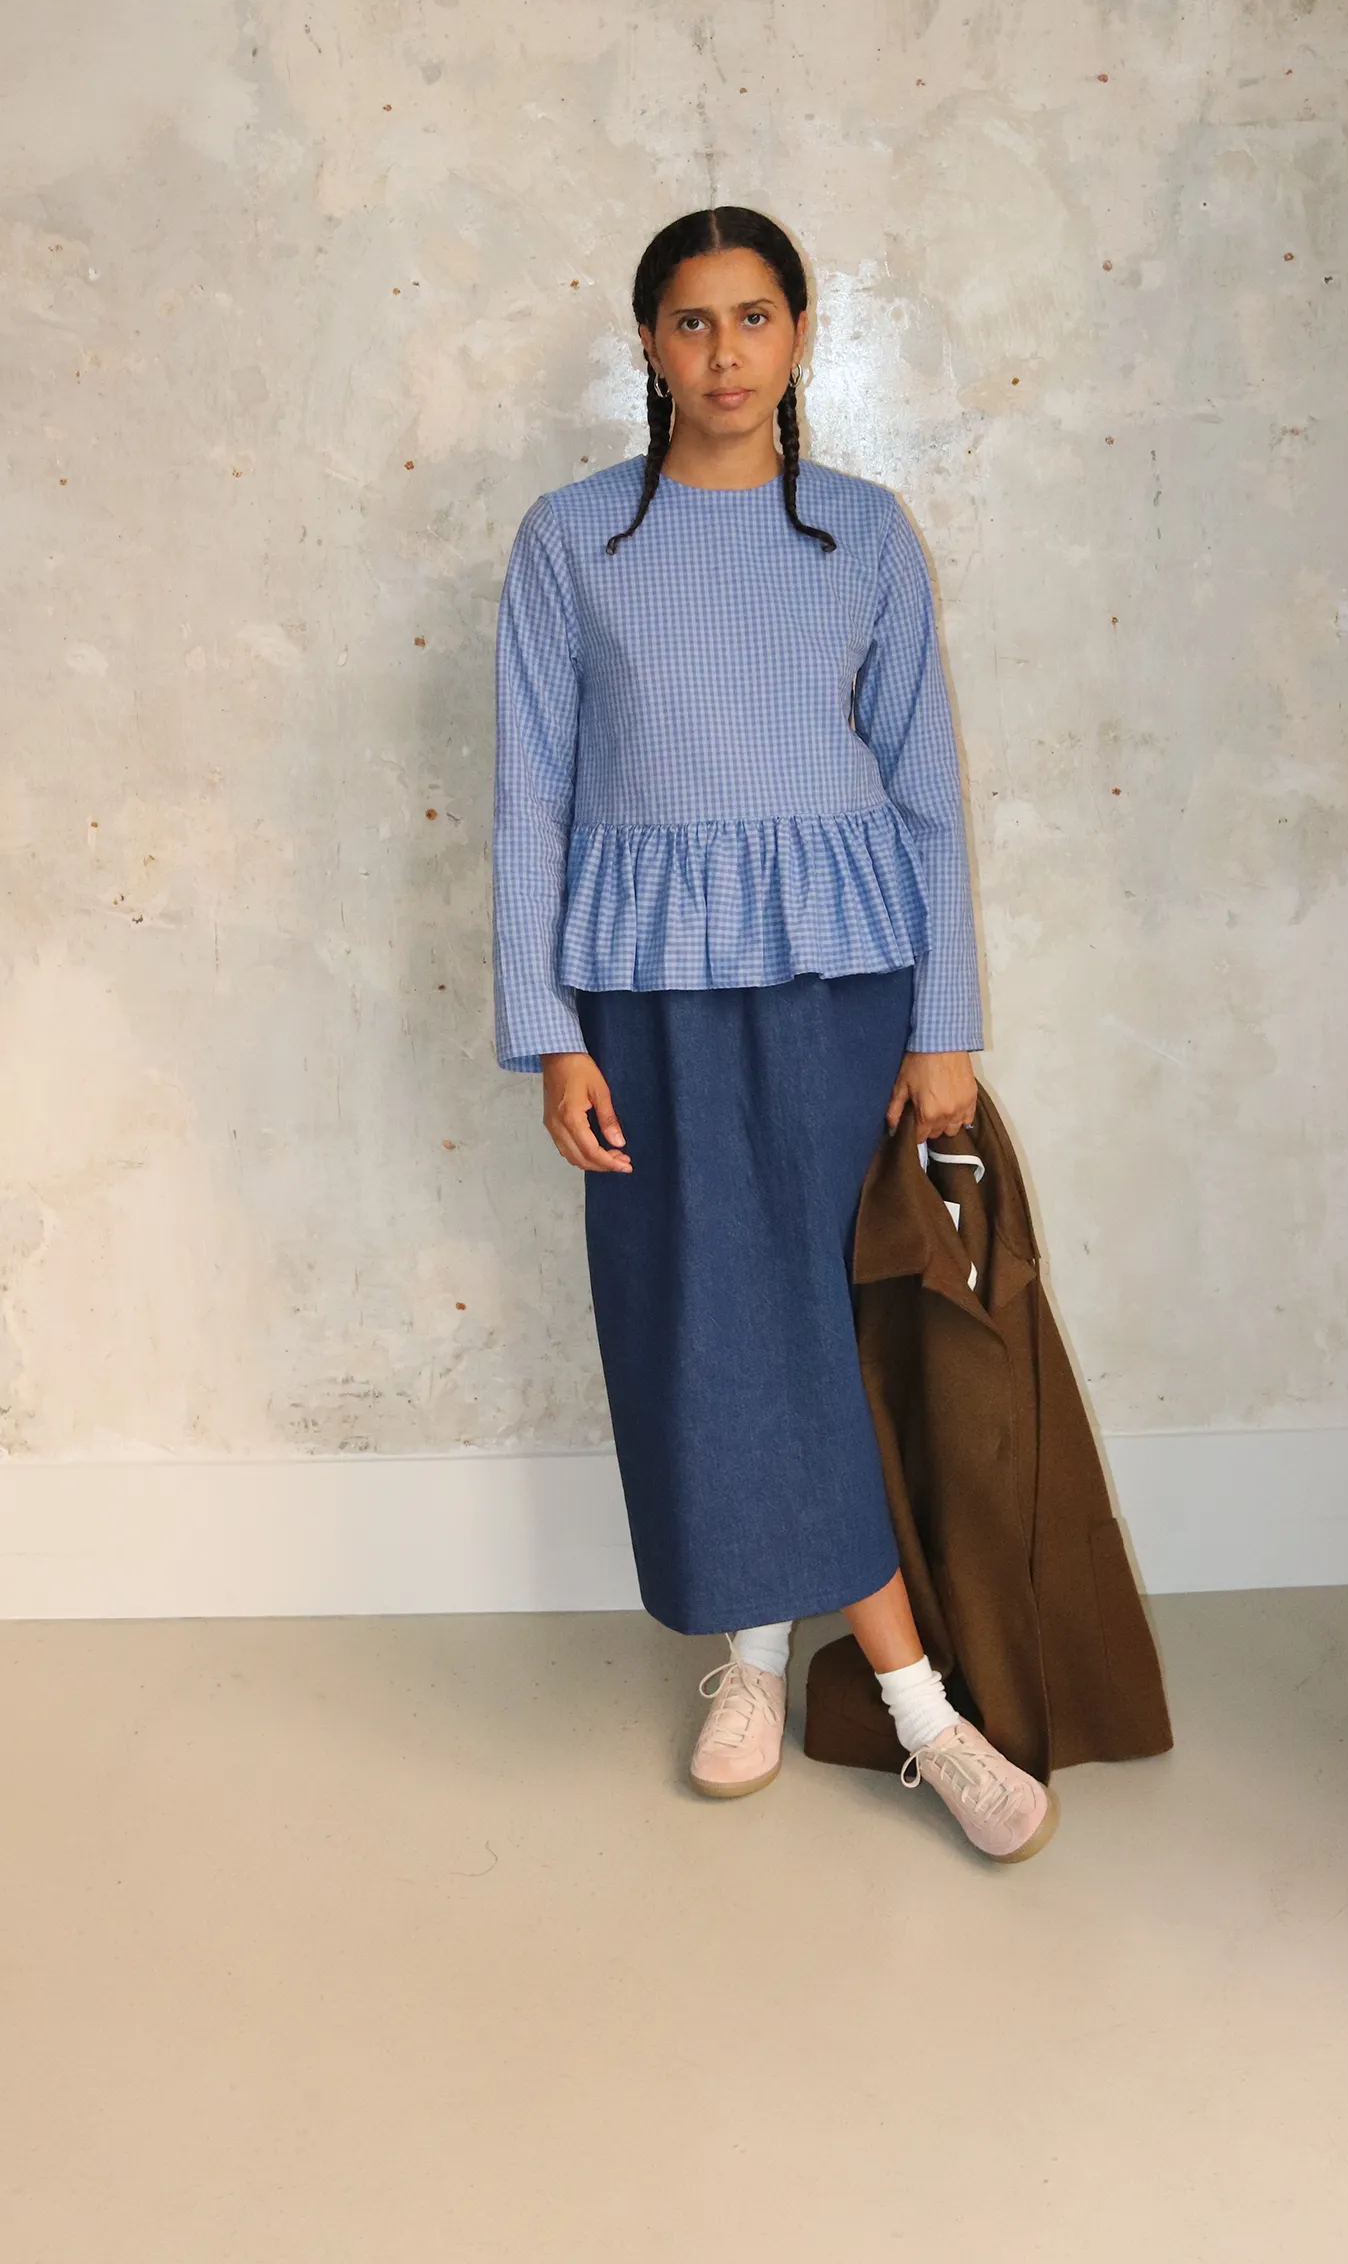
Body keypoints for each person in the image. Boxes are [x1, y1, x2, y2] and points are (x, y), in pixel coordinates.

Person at [490, 207, 1057, 1863]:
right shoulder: (571, 540)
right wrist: (550, 1031)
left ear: (802, 334)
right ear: (647, 343)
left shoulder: (865, 534)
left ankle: (818, 1676)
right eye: (691, 321)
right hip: (645, 988)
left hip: (841, 978)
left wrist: (943, 1024)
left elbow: (925, 792)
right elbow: (529, 799)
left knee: (809, 1318)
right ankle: (865, 1690)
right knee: (704, 1311)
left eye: (753, 317)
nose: (724, 352)